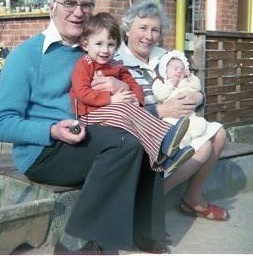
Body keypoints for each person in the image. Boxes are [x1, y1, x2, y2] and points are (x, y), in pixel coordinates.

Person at [0, 0, 172, 253]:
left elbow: (128, 88)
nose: (78, 12)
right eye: (69, 3)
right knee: (123, 143)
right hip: (44, 151)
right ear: (51, 7)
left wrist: (116, 84)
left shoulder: (96, 49)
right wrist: (51, 130)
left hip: (89, 131)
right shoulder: (25, 56)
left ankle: (144, 232)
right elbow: (0, 125)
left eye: (86, 5)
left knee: (147, 142)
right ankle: (77, 241)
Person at [91, 0, 229, 221]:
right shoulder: (115, 62)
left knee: (220, 133)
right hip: (143, 133)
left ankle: (192, 198)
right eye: (143, 28)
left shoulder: (166, 58)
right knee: (202, 149)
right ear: (127, 29)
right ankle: (150, 203)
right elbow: (121, 114)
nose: (149, 36)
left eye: (155, 30)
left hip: (180, 123)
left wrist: (197, 97)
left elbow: (190, 84)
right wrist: (162, 110)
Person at [70, 12, 195, 173]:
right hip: (89, 115)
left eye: (110, 44)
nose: (105, 50)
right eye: (99, 44)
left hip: (112, 112)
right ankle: (165, 137)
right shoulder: (84, 65)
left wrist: (137, 100)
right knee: (124, 109)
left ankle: (169, 156)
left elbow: (133, 84)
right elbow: (82, 93)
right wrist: (111, 99)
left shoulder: (115, 64)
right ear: (86, 45)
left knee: (132, 117)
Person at [152, 50, 223, 151]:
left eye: (181, 69)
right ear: (165, 70)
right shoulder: (163, 82)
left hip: (189, 115)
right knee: (175, 128)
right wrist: (171, 84)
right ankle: (179, 144)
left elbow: (197, 87)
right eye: (175, 69)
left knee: (205, 127)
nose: (179, 71)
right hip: (170, 117)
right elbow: (160, 95)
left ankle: (193, 133)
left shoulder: (185, 81)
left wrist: (191, 77)